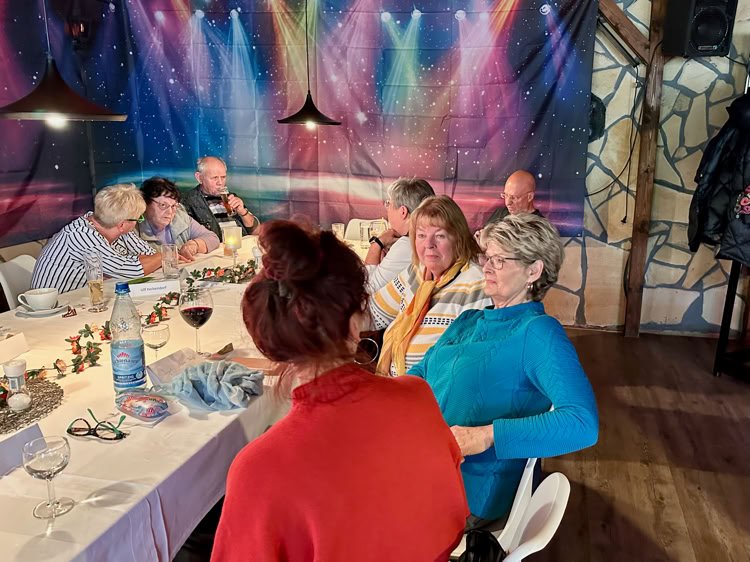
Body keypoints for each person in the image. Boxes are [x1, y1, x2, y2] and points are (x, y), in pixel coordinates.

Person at [211, 220, 469, 562]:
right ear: (356, 318)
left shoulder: (259, 470)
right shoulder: (417, 396)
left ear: (269, 342)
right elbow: (451, 519)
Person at [409, 214, 598, 527]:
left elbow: (582, 423)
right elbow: (419, 374)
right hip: (422, 460)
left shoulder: (538, 332)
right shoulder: (469, 320)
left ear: (533, 271)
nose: (486, 267)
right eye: (487, 257)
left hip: (463, 492)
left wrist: (488, 435)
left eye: (499, 260)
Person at [370, 195, 491, 377]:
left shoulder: (476, 285)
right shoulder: (417, 272)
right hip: (396, 387)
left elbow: (469, 365)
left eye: (440, 236)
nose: (428, 244)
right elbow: (374, 313)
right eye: (421, 235)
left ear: (458, 239)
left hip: (433, 392)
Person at [31, 184, 160, 293]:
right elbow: (135, 271)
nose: (138, 222)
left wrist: (149, 260)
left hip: (85, 300)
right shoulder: (81, 236)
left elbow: (150, 255)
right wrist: (164, 255)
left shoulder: (113, 224)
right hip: (54, 307)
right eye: (138, 218)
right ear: (122, 225)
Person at [364, 177, 435, 293]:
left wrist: (377, 243)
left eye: (389, 203)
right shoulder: (428, 238)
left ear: (403, 212)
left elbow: (367, 288)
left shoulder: (406, 244)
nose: (387, 209)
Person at [137, 177, 220, 261]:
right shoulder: (134, 226)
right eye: (163, 205)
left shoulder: (180, 217)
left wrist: (195, 245)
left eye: (173, 206)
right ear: (145, 203)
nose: (170, 212)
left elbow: (212, 237)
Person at [181, 156, 259, 239]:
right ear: (199, 178)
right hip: (216, 247)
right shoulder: (188, 202)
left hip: (241, 244)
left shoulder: (231, 197)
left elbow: (256, 232)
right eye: (214, 178)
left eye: (223, 177)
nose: (220, 183)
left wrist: (243, 212)